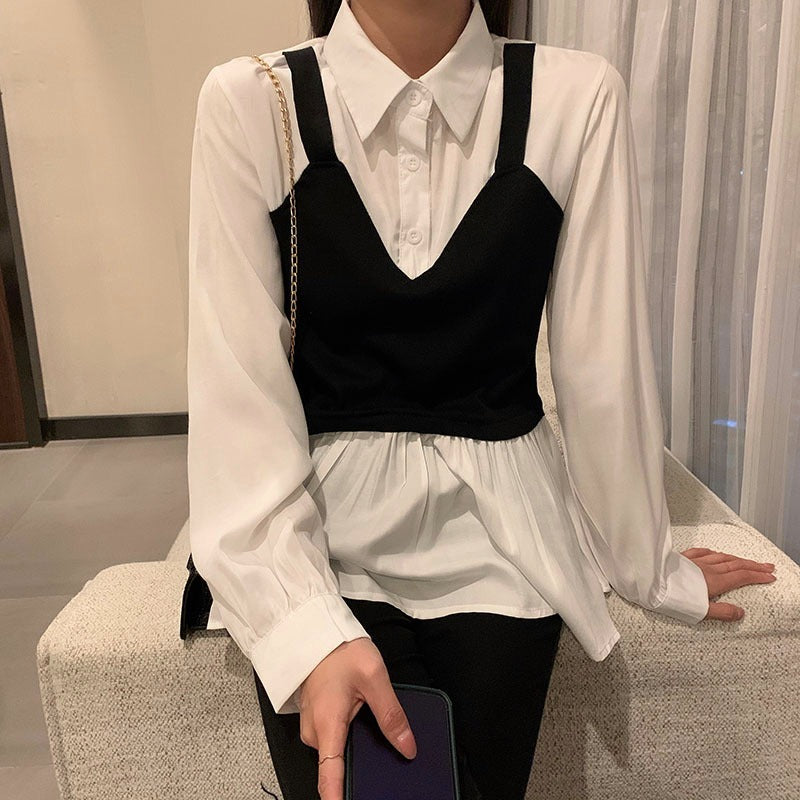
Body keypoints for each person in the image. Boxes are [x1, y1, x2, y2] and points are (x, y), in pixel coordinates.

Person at [185, 1, 779, 798]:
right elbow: (236, 391)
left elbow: (604, 368)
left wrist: (646, 566)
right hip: (315, 532)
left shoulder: (575, 95)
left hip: (504, 542)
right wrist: (300, 625)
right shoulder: (255, 101)